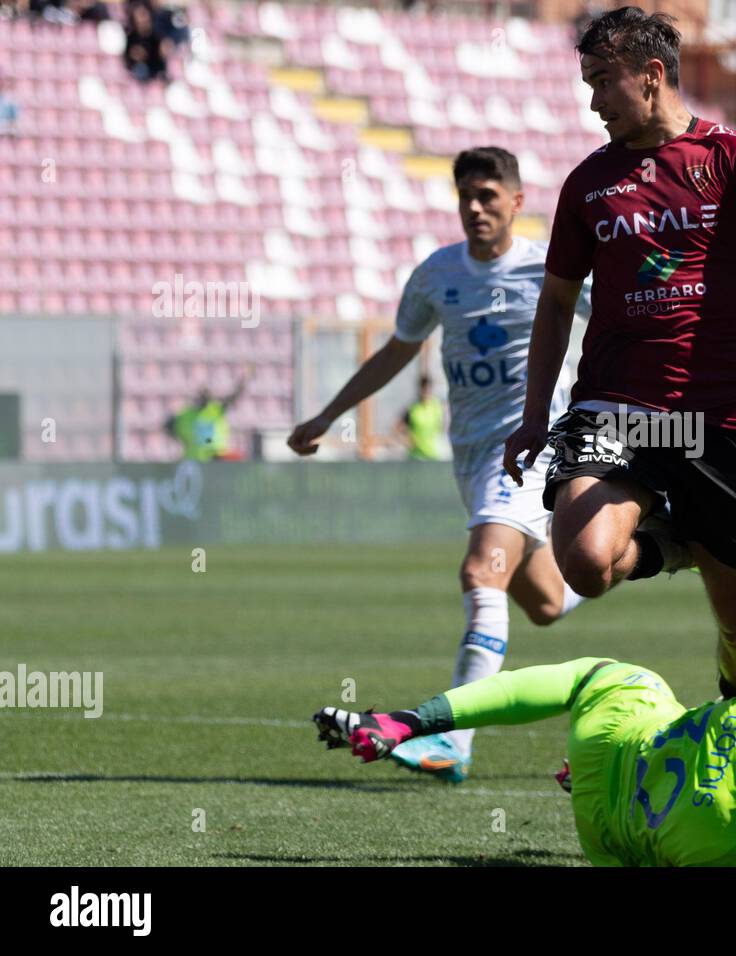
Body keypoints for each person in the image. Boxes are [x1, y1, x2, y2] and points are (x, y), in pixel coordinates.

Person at [503, 7, 736, 700]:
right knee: (583, 564)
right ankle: (671, 545)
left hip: (717, 418)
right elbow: (553, 304)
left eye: (604, 81)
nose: (595, 101)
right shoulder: (589, 183)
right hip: (616, 407)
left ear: (653, 74)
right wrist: (533, 413)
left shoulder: (732, 156)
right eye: (588, 84)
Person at [287, 147, 592, 782]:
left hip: (531, 446)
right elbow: (398, 351)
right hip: (473, 454)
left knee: (482, 571)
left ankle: (452, 744)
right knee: (542, 601)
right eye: (466, 197)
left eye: (488, 195)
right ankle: (641, 553)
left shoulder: (548, 268)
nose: (476, 208)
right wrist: (327, 415)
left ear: (516, 201)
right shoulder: (436, 276)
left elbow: (620, 323)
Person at [314, 657, 736, 868]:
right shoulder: (723, 838)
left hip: (618, 731)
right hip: (603, 821)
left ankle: (411, 720)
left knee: (598, 674)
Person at [165, 369, 249, 461]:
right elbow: (168, 426)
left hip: (216, 457)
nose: (203, 401)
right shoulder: (185, 415)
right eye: (201, 397)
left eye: (205, 397)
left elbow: (233, 398)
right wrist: (182, 440)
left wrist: (243, 382)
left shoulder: (215, 410)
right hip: (194, 459)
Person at [397, 374, 447, 461]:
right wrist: (407, 440)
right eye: (423, 389)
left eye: (428, 389)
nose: (426, 392)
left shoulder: (438, 407)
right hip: (416, 457)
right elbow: (397, 428)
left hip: (433, 455)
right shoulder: (413, 409)